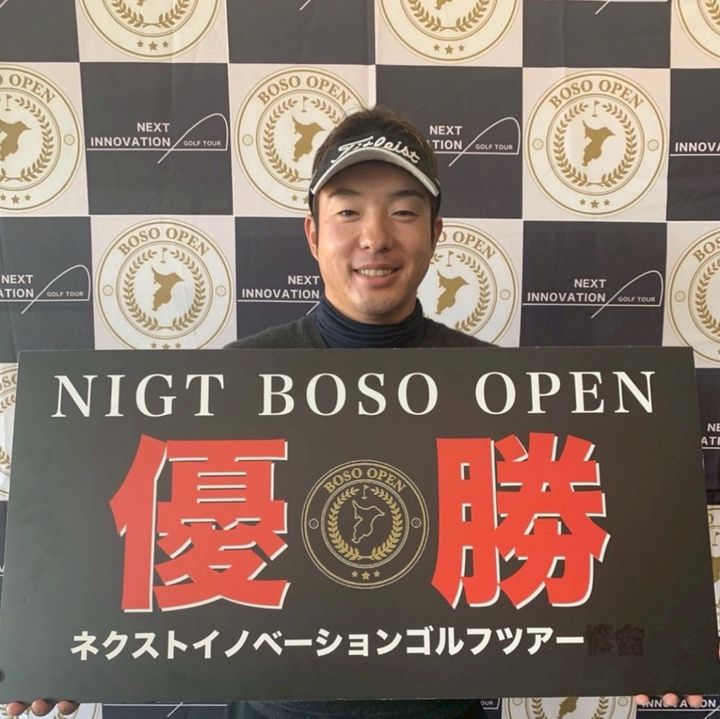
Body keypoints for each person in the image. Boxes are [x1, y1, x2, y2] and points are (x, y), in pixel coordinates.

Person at [6, 107, 704, 718]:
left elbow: (570, 553)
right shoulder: (230, 385)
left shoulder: (498, 390)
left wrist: (652, 636)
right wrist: (56, 644)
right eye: (347, 211)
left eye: (403, 211)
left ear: (436, 232)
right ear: (312, 233)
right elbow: (132, 544)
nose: (375, 237)